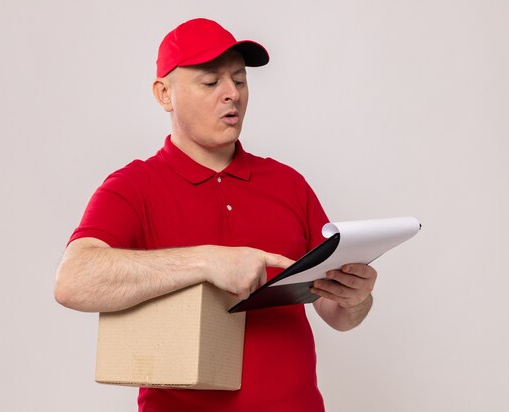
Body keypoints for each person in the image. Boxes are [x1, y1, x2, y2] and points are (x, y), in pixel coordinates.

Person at [54, 18, 377, 412]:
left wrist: (356, 299)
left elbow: (337, 315)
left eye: (239, 81)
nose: (232, 95)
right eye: (211, 82)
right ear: (164, 94)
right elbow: (73, 281)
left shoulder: (288, 183)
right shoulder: (132, 187)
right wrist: (208, 261)